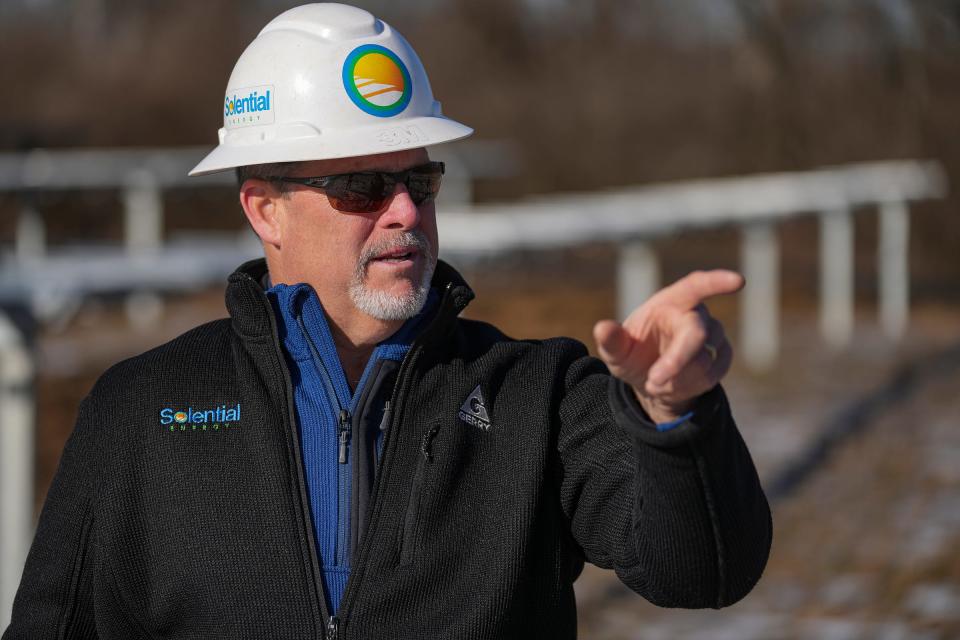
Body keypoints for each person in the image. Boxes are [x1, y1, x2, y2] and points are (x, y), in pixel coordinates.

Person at [3, 4, 771, 639]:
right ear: (265, 209)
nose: (405, 210)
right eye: (363, 184)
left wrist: (676, 417)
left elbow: (702, 571)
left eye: (419, 180)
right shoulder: (143, 409)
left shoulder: (535, 394)